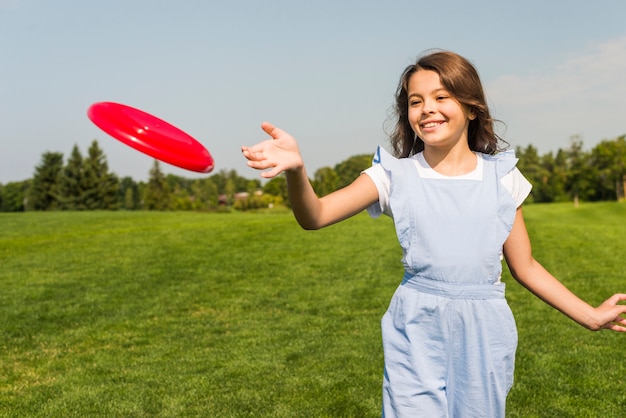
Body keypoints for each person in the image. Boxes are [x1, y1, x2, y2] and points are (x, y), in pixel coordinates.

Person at [241, 50, 626, 417]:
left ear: (472, 107)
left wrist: (590, 316)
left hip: (484, 330)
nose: (427, 108)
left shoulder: (503, 177)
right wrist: (297, 171)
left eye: (441, 96)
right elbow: (316, 215)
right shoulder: (392, 175)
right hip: (415, 328)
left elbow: (524, 267)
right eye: (415, 101)